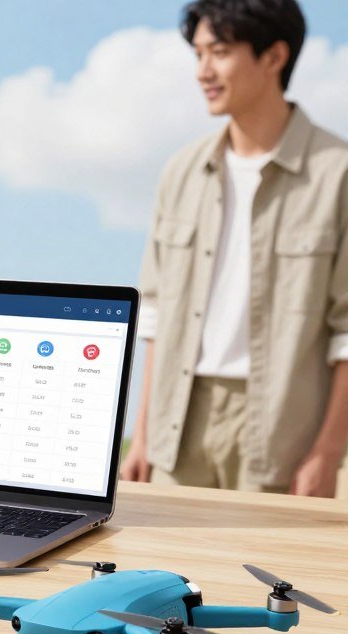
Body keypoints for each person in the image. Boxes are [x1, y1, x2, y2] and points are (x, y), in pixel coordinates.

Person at [121, 0, 348, 496]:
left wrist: (328, 452)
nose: (203, 71)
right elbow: (156, 316)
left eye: (219, 52)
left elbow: (347, 332)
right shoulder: (182, 171)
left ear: (274, 57)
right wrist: (143, 436)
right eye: (198, 54)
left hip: (282, 426)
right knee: (171, 570)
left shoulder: (337, 173)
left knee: (269, 572)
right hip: (178, 418)